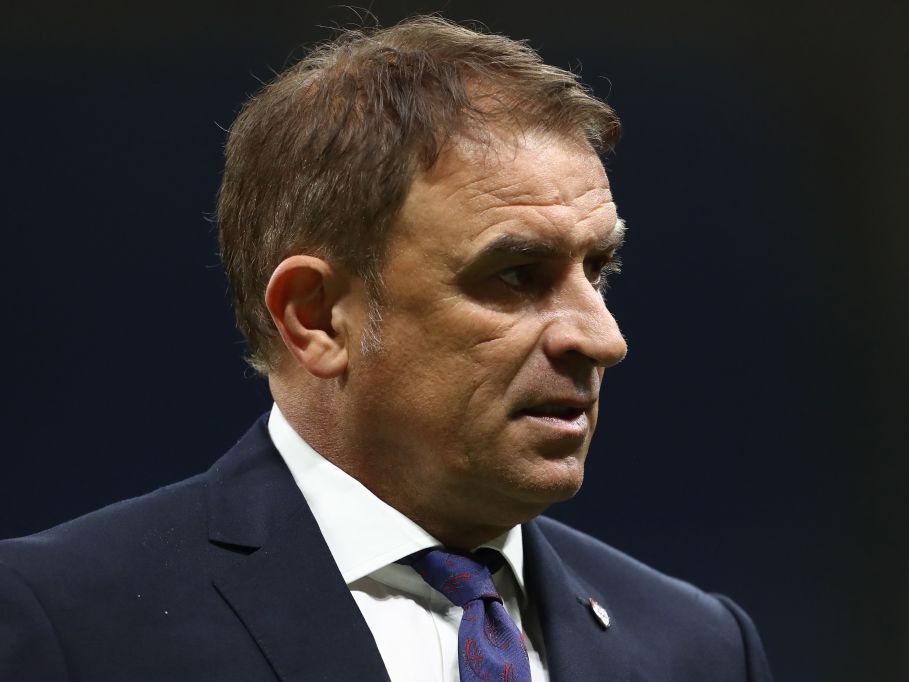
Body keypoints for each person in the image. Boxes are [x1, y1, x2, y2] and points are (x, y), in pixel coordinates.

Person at [0, 16, 773, 682]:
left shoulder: (700, 649)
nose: (603, 338)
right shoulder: (67, 623)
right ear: (316, 318)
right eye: (515, 274)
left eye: (597, 269)